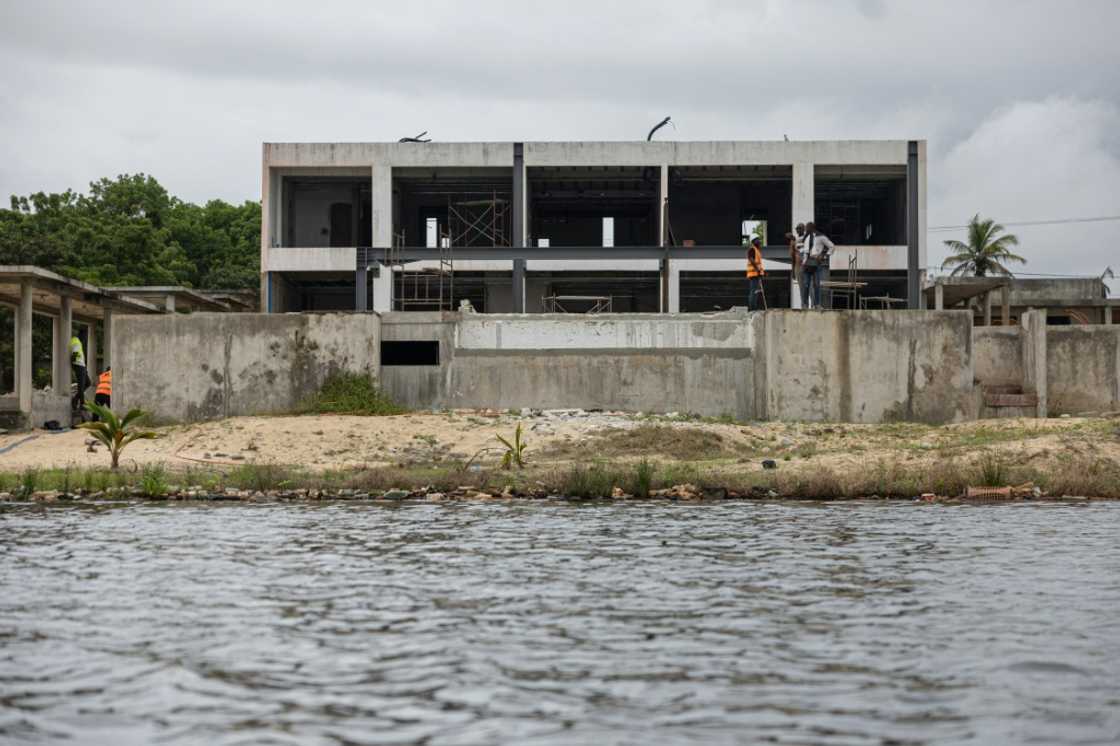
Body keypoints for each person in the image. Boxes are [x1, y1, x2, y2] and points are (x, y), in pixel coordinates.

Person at [800, 221, 835, 309]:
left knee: (816, 284)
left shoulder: (820, 237)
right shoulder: (805, 237)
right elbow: (798, 245)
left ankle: (817, 304)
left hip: (816, 262)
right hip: (806, 263)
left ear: (812, 228)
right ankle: (804, 304)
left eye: (807, 228)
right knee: (806, 284)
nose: (806, 230)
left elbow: (832, 246)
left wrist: (824, 256)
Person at [786, 223, 805, 308]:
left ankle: (813, 305)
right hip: (798, 267)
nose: (798, 230)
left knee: (810, 286)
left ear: (803, 229)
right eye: (797, 228)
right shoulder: (793, 241)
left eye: (800, 228)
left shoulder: (807, 238)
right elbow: (792, 257)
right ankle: (804, 305)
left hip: (807, 267)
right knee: (802, 288)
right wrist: (793, 270)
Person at [69, 333, 90, 412]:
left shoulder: (78, 342)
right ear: (82, 336)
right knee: (81, 386)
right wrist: (74, 364)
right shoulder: (76, 341)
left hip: (82, 365)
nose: (85, 340)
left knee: (88, 383)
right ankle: (82, 404)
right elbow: (74, 353)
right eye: (85, 337)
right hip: (79, 365)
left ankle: (75, 398)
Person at [746, 236, 766, 310]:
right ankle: (752, 308)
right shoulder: (752, 249)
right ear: (754, 241)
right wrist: (757, 269)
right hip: (753, 274)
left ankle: (754, 307)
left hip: (757, 274)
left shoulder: (757, 250)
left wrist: (760, 272)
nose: (759, 241)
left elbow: (758, 263)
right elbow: (751, 259)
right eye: (757, 240)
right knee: (753, 292)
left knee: (756, 292)